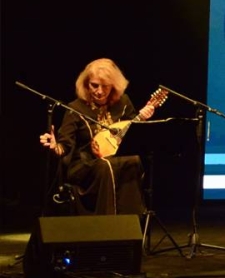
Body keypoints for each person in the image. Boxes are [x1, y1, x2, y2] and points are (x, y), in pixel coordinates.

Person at [38, 58, 156, 216]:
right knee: (105, 166)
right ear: (86, 84)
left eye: (105, 86)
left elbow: (133, 134)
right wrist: (55, 146)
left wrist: (143, 118)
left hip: (115, 159)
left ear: (113, 85)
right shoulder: (75, 108)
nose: (99, 91)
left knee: (133, 161)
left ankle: (132, 221)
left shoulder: (123, 102)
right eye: (94, 85)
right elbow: (64, 146)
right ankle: (107, 223)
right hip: (84, 164)